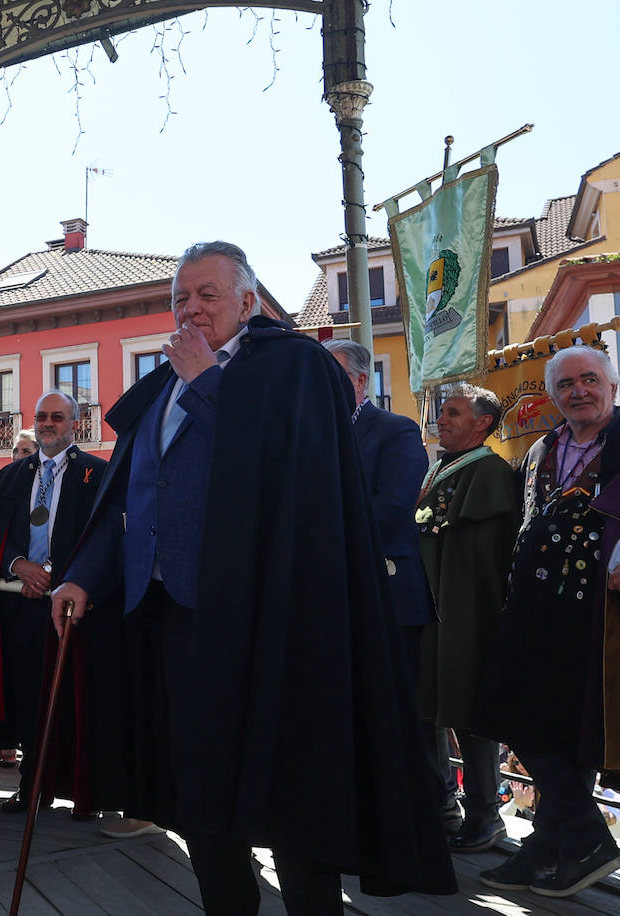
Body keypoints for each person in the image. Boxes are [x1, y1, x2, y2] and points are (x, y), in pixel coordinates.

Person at [50, 241, 455, 913]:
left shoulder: (294, 366)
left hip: (273, 624)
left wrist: (210, 381)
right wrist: (84, 577)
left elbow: (291, 470)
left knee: (292, 788)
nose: (191, 308)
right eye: (180, 298)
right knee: (199, 793)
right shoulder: (160, 384)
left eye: (208, 295)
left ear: (247, 302)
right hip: (172, 621)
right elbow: (129, 494)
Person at [475, 345, 620, 896]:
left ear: (611, 385)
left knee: (570, 726)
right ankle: (574, 838)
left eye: (589, 380)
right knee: (513, 710)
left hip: (598, 614)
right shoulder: (543, 446)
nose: (578, 391)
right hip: (535, 606)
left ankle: (558, 844)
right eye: (566, 385)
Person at [0, 391, 112, 814]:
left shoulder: (98, 474)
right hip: (23, 608)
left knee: (79, 700)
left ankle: (88, 795)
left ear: (75, 423)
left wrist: (64, 578)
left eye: (57, 417)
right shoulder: (14, 476)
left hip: (77, 611)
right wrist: (19, 566)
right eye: (42, 416)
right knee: (30, 700)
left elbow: (104, 538)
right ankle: (32, 787)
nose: (48, 423)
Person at [414, 384, 518, 854]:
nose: (442, 418)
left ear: (483, 423)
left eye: (454, 412)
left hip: (468, 615)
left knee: (470, 715)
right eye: (442, 411)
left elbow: (482, 560)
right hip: (433, 611)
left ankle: (484, 815)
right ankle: (441, 806)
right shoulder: (440, 467)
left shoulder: (491, 471)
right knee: (429, 708)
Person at [324, 339, 436, 681]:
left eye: (334, 376)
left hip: (388, 594)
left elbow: (392, 507)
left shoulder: (394, 429)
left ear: (360, 381)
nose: (324, 386)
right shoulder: (319, 434)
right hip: (337, 597)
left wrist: (321, 536)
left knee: (400, 708)